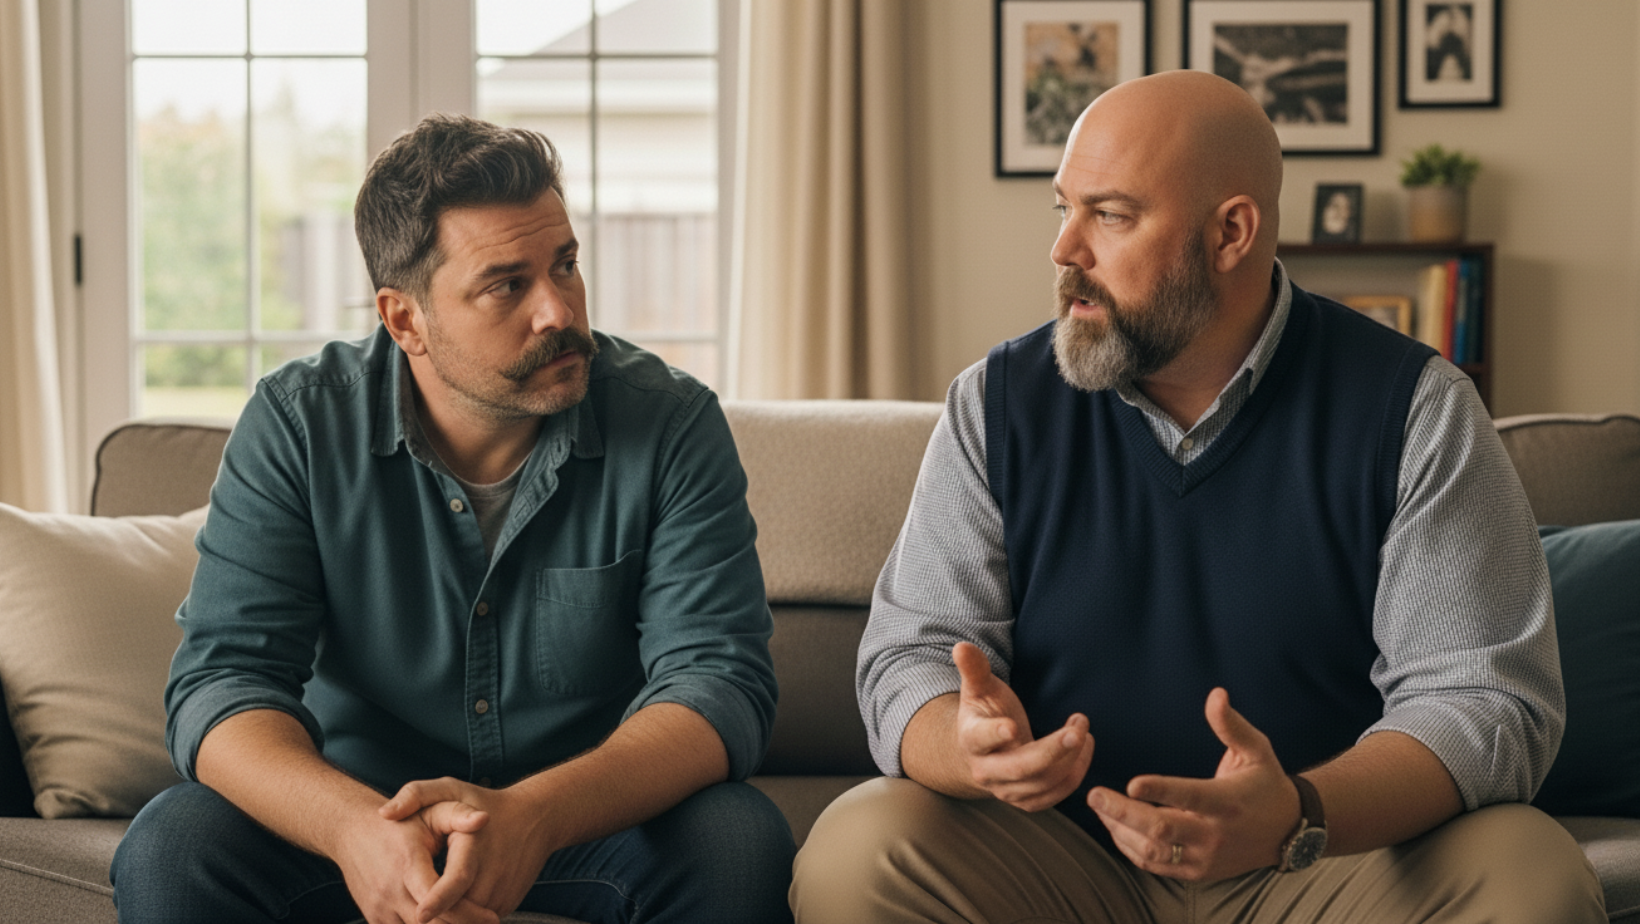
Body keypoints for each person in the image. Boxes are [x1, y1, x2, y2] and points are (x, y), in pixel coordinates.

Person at [790, 71, 1605, 923]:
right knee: (859, 848)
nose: (1065, 250)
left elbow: (1482, 699)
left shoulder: (1415, 409)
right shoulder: (994, 405)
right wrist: (965, 747)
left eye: (1110, 215)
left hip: (1322, 860)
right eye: (1063, 209)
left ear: (1230, 233)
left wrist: (1296, 812)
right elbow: (912, 655)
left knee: (1529, 872)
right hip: (1060, 861)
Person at [111, 114, 795, 924]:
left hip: (583, 818)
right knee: (174, 843)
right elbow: (223, 683)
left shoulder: (671, 423)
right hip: (366, 812)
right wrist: (351, 828)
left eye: (566, 264)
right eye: (507, 284)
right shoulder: (300, 424)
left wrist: (534, 816)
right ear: (405, 320)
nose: (558, 311)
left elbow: (717, 682)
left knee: (736, 840)